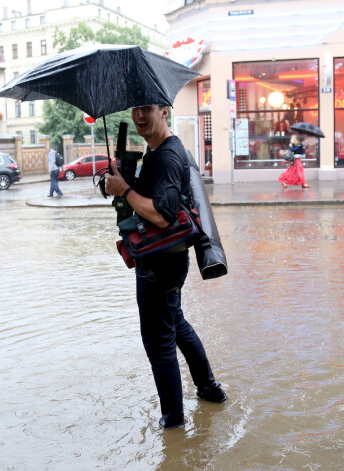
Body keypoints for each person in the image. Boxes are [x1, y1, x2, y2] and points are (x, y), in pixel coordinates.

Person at [104, 105, 227, 430]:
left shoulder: (168, 156)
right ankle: (209, 389)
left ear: (164, 111)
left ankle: (173, 424)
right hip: (165, 262)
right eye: (135, 111)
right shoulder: (156, 150)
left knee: (159, 346)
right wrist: (122, 180)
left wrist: (125, 191)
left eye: (146, 109)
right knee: (177, 325)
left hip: (159, 267)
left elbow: (162, 214)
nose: (139, 116)